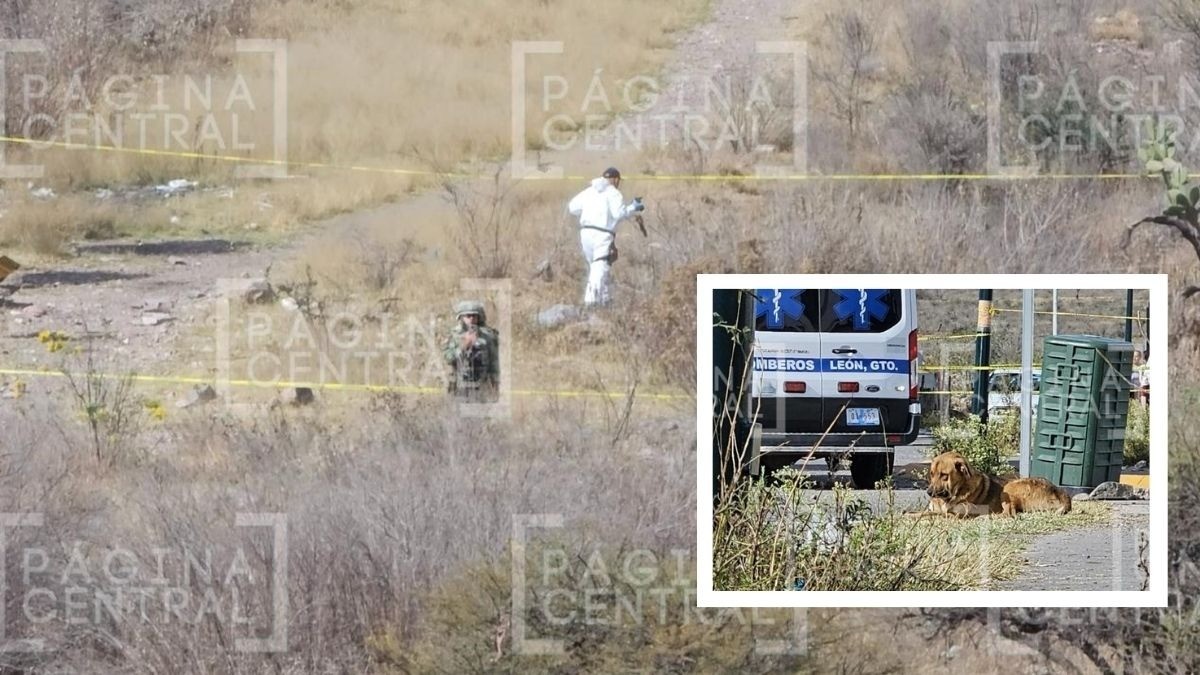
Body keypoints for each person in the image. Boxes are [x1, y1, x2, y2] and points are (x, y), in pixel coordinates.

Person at [567, 167, 646, 307]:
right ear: (615, 180)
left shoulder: (589, 191)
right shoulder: (613, 192)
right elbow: (619, 214)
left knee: (596, 266)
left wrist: (590, 211)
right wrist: (633, 207)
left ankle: (604, 300)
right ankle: (591, 303)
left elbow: (573, 208)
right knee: (600, 266)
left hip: (585, 233)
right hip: (602, 234)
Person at [444, 300, 499, 401]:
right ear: (461, 317)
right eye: (468, 316)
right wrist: (465, 345)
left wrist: (495, 383)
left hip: (482, 386)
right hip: (460, 386)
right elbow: (449, 358)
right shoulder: (454, 336)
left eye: (474, 316)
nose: (472, 319)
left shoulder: (488, 337)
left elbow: (494, 361)